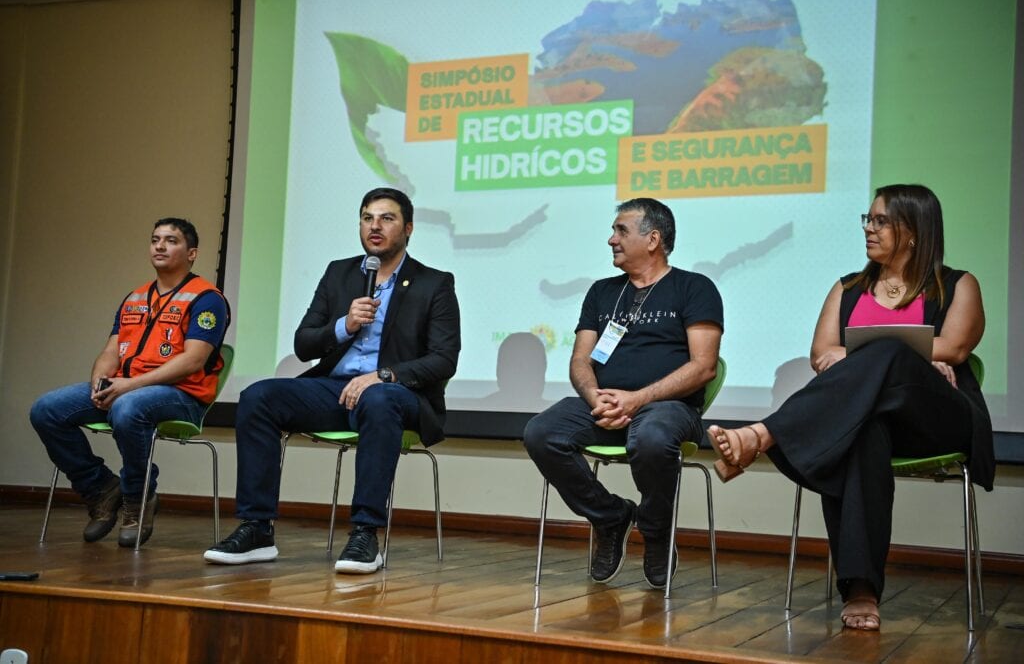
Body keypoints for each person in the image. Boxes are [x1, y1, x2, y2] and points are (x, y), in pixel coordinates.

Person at [707, 183, 992, 631]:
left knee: (890, 352)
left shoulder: (957, 285)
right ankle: (860, 587)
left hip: (939, 416)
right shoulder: (849, 288)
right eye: (868, 219)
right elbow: (821, 354)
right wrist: (916, 351)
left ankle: (763, 434)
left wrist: (878, 351)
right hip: (874, 417)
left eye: (881, 221)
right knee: (862, 434)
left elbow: (954, 348)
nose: (869, 229)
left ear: (914, 230)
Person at [204, 187, 461, 573]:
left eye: (386, 218)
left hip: (398, 396)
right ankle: (257, 528)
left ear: (408, 228)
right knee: (259, 396)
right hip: (335, 390)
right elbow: (304, 344)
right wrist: (345, 324)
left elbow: (443, 360)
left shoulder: (433, 283)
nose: (375, 226)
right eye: (367, 217)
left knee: (379, 399)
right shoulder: (339, 273)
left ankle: (365, 534)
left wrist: (383, 376)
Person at [524, 198, 723, 590]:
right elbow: (581, 359)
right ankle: (610, 516)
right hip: (604, 404)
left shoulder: (694, 288)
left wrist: (637, 400)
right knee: (541, 433)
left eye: (621, 231)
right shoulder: (602, 292)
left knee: (650, 437)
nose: (611, 239)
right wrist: (595, 396)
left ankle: (655, 530)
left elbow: (704, 367)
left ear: (653, 239)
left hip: (669, 408)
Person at [30, 218, 230, 547]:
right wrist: (101, 381)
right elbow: (111, 351)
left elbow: (193, 360)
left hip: (180, 396)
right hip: (127, 389)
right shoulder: (135, 297)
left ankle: (138, 498)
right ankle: (101, 490)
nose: (160, 246)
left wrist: (128, 387)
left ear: (191, 253)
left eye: (171, 240)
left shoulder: (207, 299)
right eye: (155, 240)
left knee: (127, 406)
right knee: (47, 409)